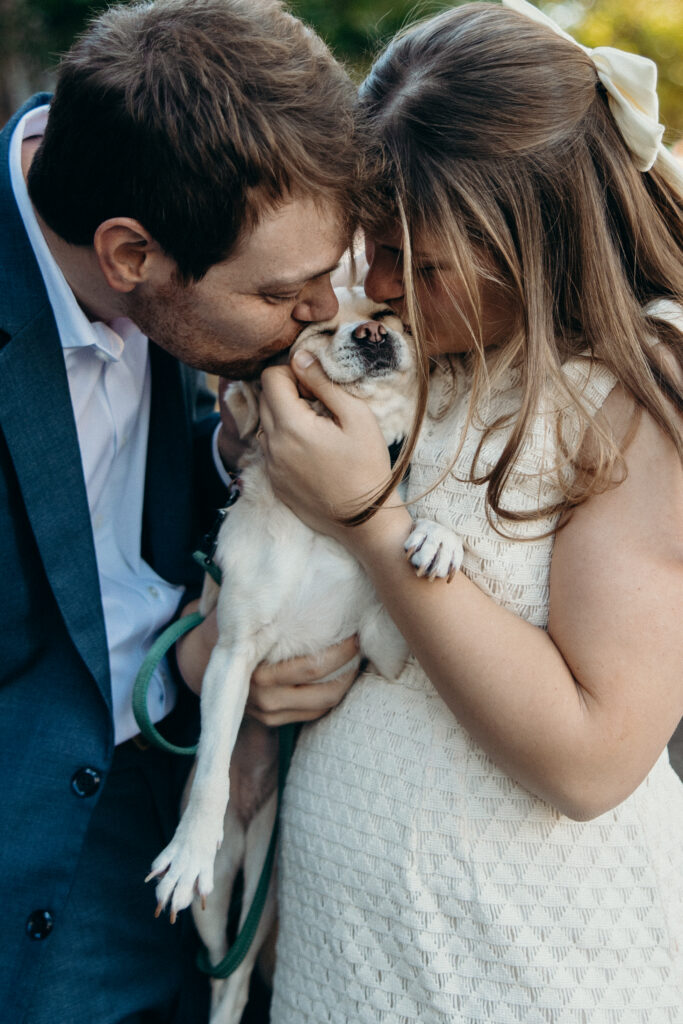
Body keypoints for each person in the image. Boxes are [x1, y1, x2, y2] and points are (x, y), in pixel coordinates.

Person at [254, 1, 683, 1018]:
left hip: (514, 963)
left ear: (532, 244)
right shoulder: (422, 343)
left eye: (422, 263)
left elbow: (590, 757)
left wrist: (366, 516)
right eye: (373, 248)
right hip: (342, 952)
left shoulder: (636, 395)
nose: (384, 287)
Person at [0, 1, 362, 1020]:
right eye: (286, 292)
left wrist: (232, 454)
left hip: (191, 806)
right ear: (129, 256)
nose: (323, 315)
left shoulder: (177, 262)